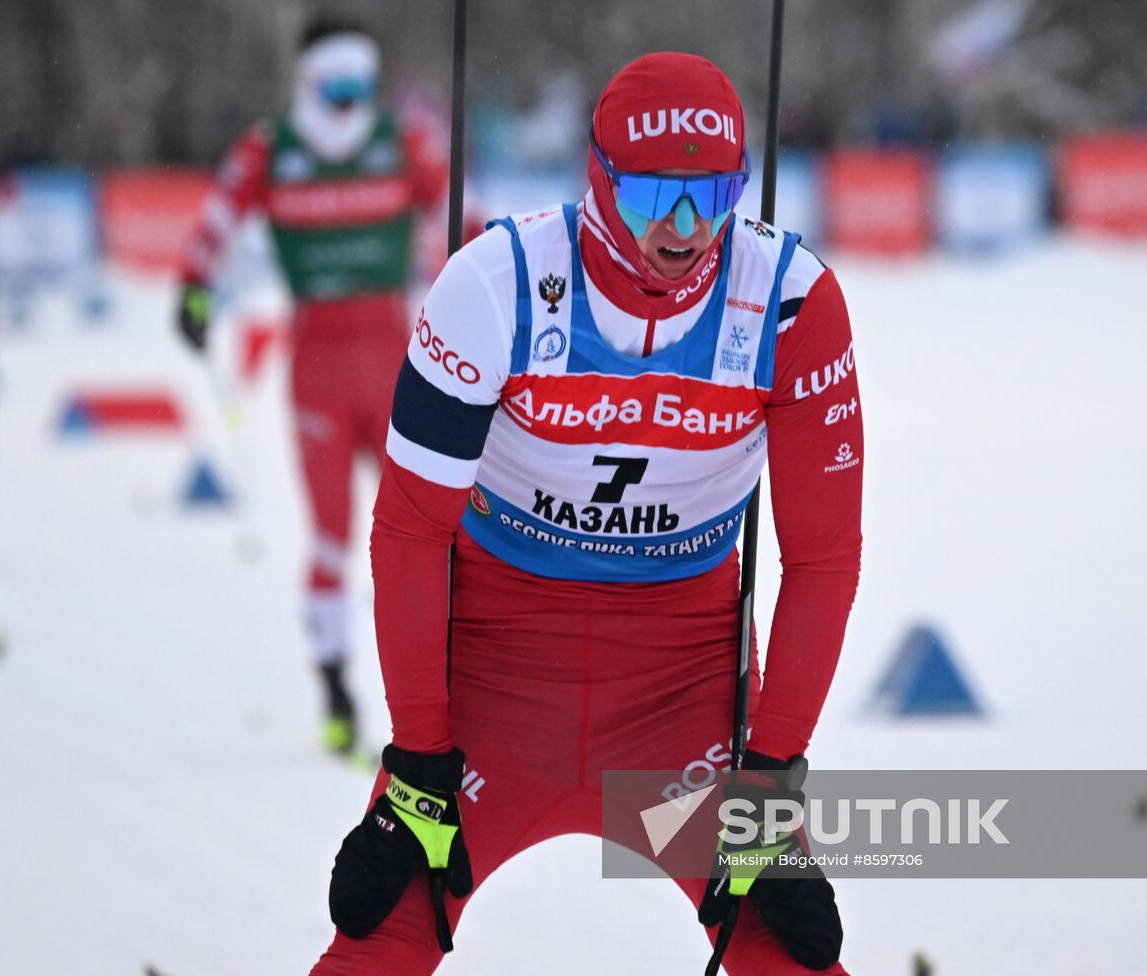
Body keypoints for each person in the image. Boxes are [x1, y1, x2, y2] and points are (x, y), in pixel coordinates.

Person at [315, 53, 863, 974]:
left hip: (682, 688)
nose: (683, 229)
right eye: (651, 198)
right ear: (598, 181)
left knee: (787, 953)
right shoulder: (494, 285)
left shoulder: (790, 301)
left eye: (712, 196)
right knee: (379, 942)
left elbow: (823, 558)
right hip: (493, 674)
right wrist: (417, 756)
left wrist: (771, 777)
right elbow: (410, 530)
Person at [177, 17, 452, 756]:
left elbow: (461, 219)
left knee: (427, 529)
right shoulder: (271, 149)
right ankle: (336, 692)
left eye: (361, 85)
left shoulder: (404, 142)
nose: (349, 103)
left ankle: (443, 695)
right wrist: (194, 287)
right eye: (336, 88)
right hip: (318, 365)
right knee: (332, 535)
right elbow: (218, 218)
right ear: (307, 83)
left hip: (396, 357)